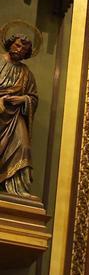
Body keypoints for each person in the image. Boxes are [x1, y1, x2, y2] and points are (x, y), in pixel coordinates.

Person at [0, 32, 38, 198]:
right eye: (18, 45)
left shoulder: (26, 73)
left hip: (15, 116)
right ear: (10, 44)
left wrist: (23, 99)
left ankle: (16, 188)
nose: (20, 49)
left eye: (24, 48)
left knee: (23, 145)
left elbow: (33, 97)